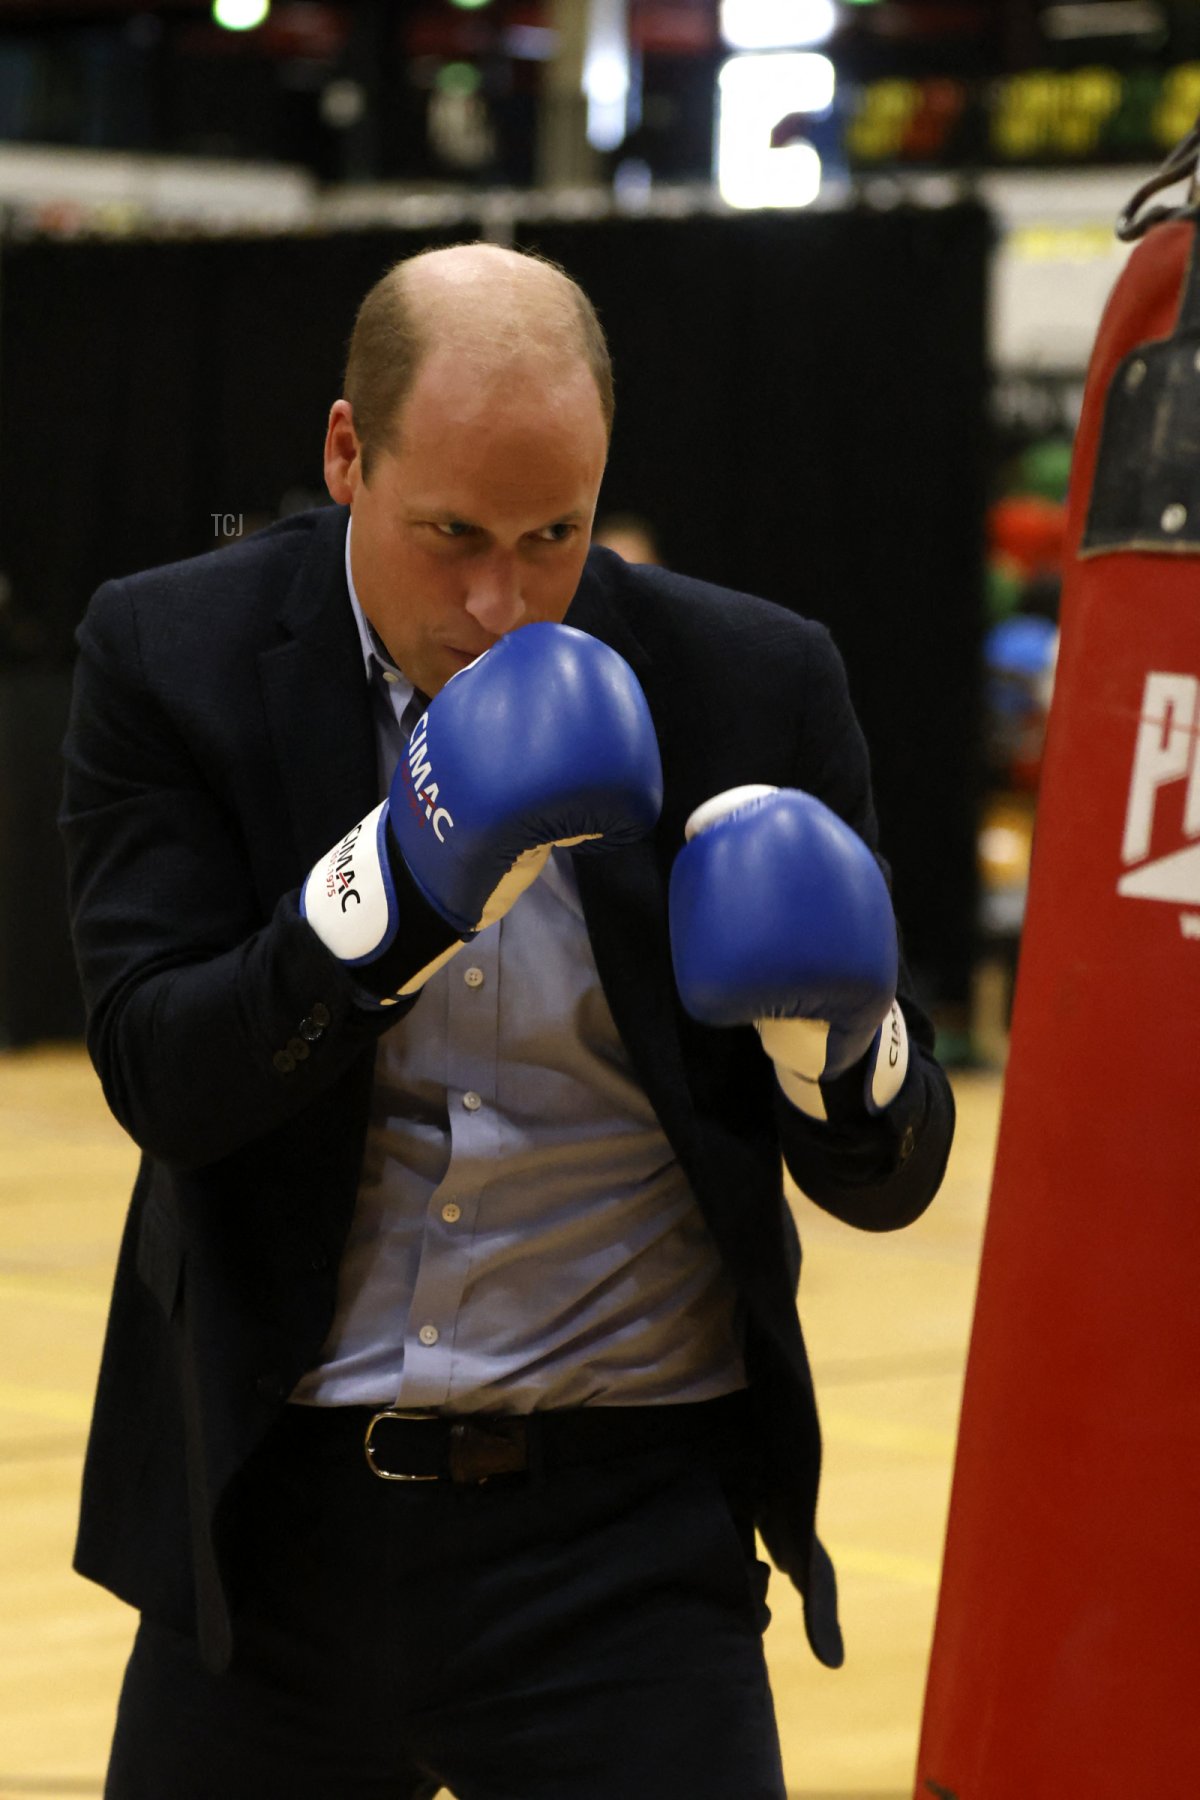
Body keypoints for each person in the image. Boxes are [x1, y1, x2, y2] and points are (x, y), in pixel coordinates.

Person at [60, 242, 955, 1800]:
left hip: (630, 1536)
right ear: (346, 455)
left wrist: (842, 1046)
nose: (501, 602)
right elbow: (166, 1075)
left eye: (555, 534)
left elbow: (893, 1172)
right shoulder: (170, 657)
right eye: (451, 535)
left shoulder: (751, 684)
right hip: (279, 1534)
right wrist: (392, 888)